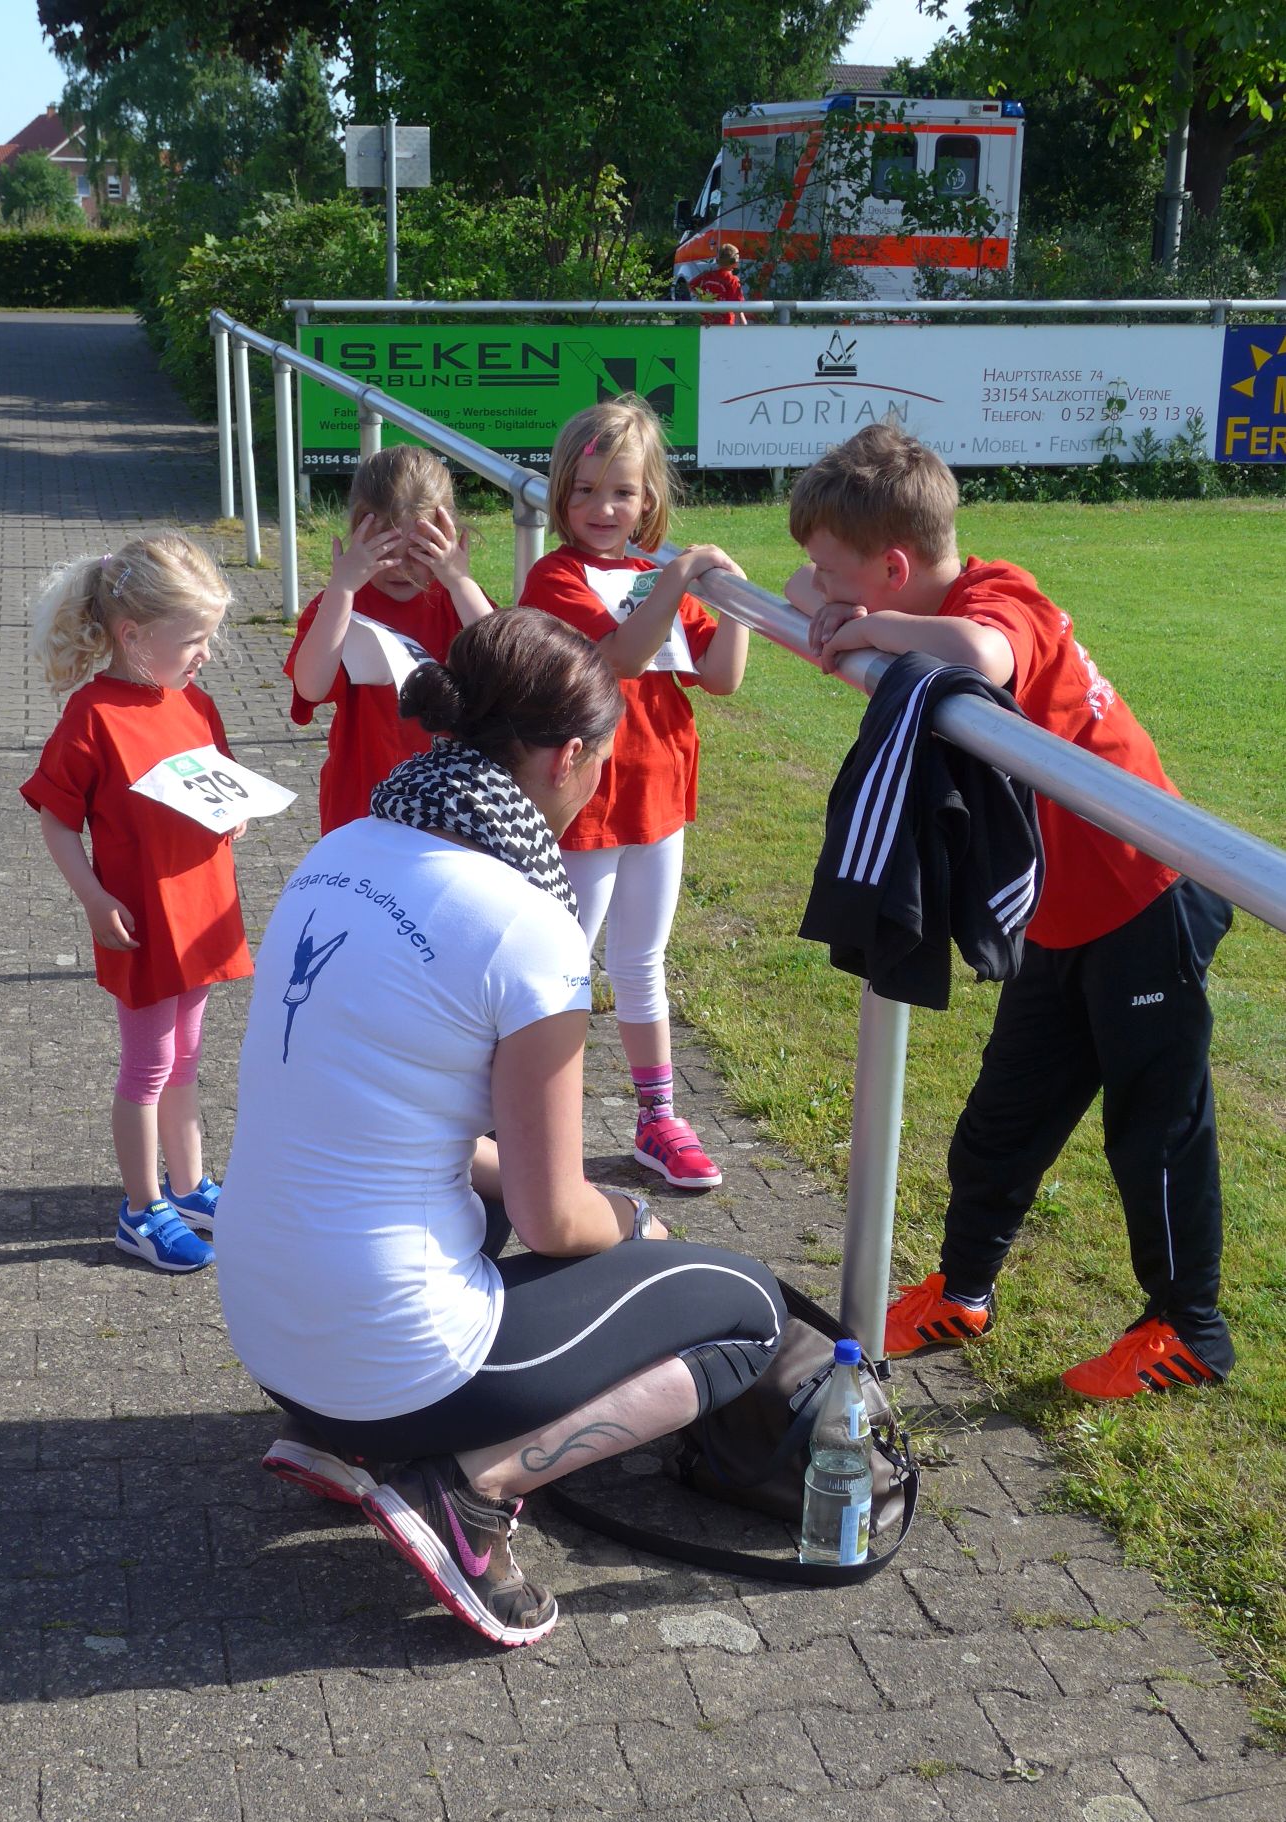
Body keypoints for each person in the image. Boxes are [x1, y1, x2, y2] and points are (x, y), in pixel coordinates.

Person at [215, 608, 786, 1647]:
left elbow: (395, 1121)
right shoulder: (530, 927)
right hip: (383, 1363)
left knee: (473, 1203)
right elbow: (552, 1213)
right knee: (745, 1308)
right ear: (568, 757)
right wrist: (636, 1226)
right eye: (603, 761)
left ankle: (348, 1443)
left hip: (267, 1335)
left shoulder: (338, 849)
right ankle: (469, 1490)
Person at [784, 422, 1234, 1400]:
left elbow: (982, 656)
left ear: (895, 569)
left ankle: (1189, 1328)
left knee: (1154, 1132)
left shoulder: (1000, 596)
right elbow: (798, 587)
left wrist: (868, 627)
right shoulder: (909, 590)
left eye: (832, 570)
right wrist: (836, 604)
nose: (815, 583)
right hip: (1058, 919)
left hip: (1145, 899)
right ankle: (964, 1291)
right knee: (1000, 1121)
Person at [519, 395, 750, 1190]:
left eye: (622, 492)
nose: (603, 508)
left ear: (649, 498)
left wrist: (734, 602)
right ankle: (527, 1114)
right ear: (561, 495)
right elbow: (620, 657)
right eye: (585, 491)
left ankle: (658, 1117)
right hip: (582, 802)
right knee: (563, 965)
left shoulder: (658, 577)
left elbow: (719, 676)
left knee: (642, 960)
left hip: (658, 797)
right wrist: (677, 575)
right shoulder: (554, 577)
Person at [21, 533, 252, 1275]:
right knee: (149, 1065)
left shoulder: (194, 702)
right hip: (144, 921)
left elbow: (222, 784)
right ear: (132, 635)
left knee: (187, 1056)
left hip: (201, 911)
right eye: (192, 640)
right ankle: (142, 1207)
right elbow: (57, 819)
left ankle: (188, 1185)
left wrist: (234, 814)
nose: (205, 654)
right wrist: (92, 899)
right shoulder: (92, 716)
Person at [286, 445, 496, 833]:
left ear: (448, 538)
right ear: (357, 536)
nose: (400, 568)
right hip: (364, 804)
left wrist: (460, 581)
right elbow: (311, 687)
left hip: (454, 806)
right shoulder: (341, 603)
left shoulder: (457, 601)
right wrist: (342, 589)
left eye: (418, 552)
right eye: (384, 552)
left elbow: (508, 670)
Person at [692, 240, 745, 326]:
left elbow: (691, 285)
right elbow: (738, 307)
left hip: (706, 322)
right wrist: (744, 325)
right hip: (725, 324)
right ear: (735, 263)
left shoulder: (707, 275)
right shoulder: (733, 280)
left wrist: (703, 297)